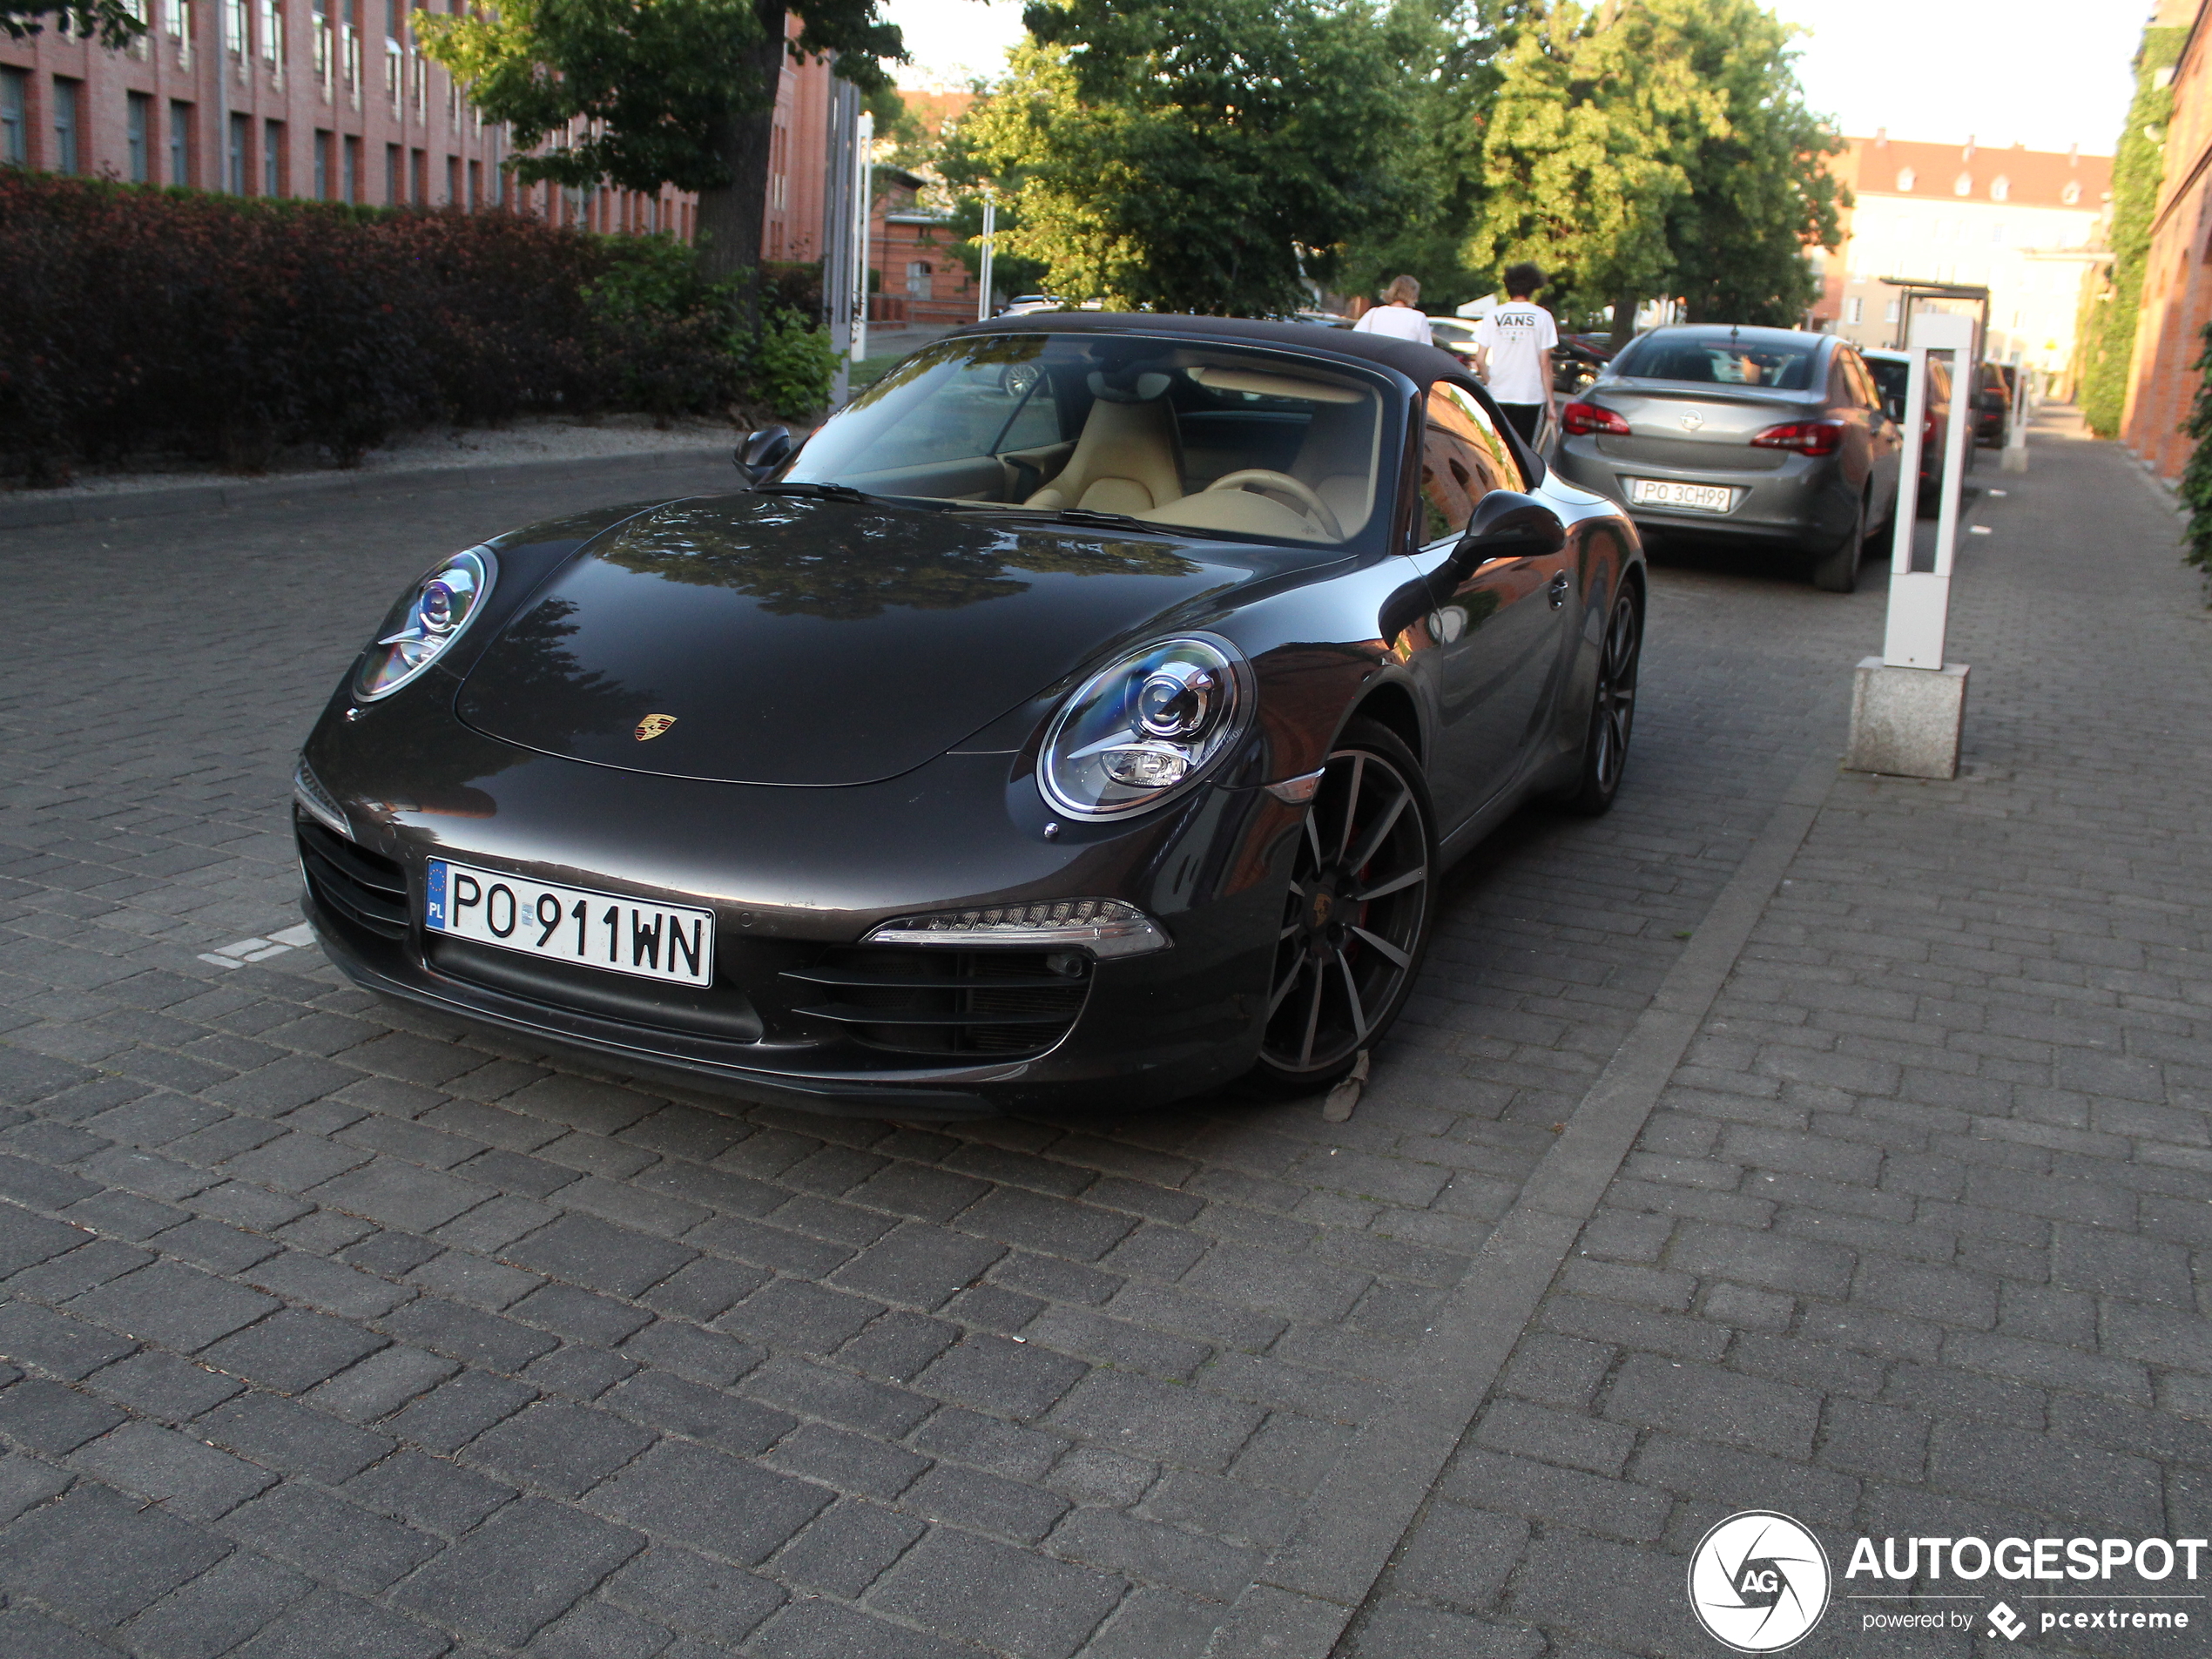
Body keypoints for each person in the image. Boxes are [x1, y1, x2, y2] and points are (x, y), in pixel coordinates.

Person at [1472, 263, 1558, 444]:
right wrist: (1551, 403)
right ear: (1533, 287)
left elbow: (1480, 359)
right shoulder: (1543, 316)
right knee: (1525, 452)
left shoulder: (1492, 315)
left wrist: (1491, 382)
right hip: (1531, 395)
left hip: (1499, 393)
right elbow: (1545, 363)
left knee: (1500, 448)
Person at [1352, 275, 1433, 347]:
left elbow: (1355, 339)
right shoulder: (1419, 318)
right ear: (1414, 294)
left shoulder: (1374, 313)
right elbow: (1427, 352)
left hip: (1374, 361)